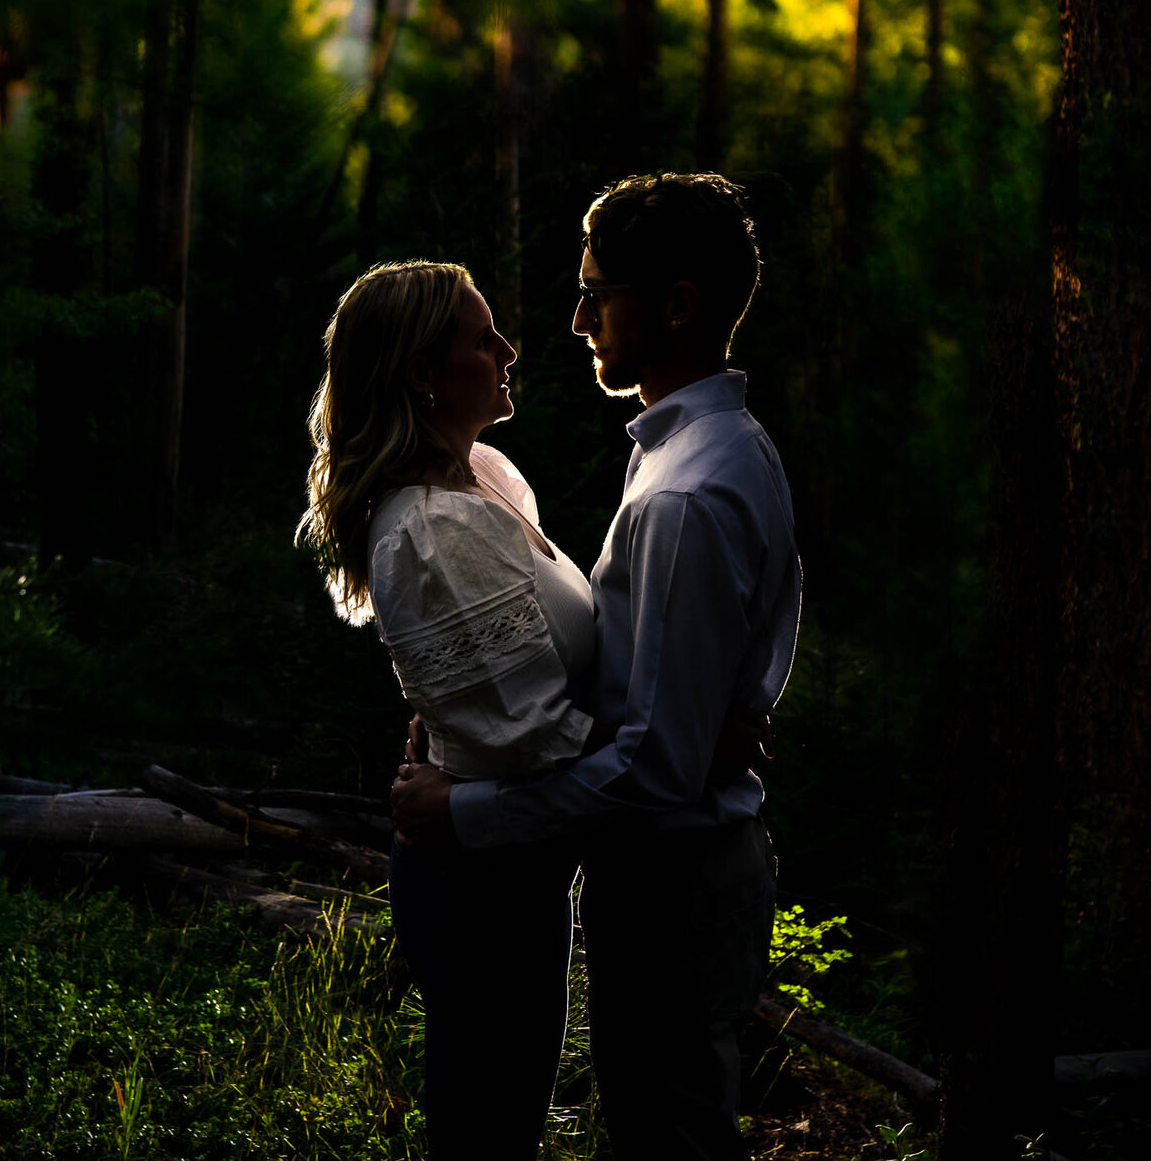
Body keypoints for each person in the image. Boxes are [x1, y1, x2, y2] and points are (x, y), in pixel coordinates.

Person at [392, 174, 802, 1161]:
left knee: (668, 1133)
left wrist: (461, 809)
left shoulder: (682, 494)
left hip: (674, 883)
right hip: (684, 865)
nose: (574, 320)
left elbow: (657, 767)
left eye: (595, 293)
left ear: (676, 306)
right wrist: (717, 717)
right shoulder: (705, 449)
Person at [297, 260, 597, 1161]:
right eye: (481, 338)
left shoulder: (487, 479)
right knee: (486, 1131)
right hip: (485, 886)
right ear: (423, 372)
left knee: (501, 1123)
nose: (507, 350)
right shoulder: (430, 531)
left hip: (516, 858)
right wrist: (684, 733)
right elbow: (538, 739)